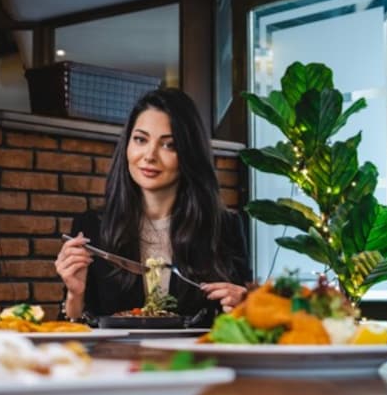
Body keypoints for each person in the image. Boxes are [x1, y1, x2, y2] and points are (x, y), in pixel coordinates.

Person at [55, 88, 251, 325]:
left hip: (194, 360)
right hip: (117, 360)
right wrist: (75, 295)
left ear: (189, 153)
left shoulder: (224, 228)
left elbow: (241, 326)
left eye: (168, 145)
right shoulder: (91, 228)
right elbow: (74, 333)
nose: (149, 155)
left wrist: (245, 308)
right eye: (140, 139)